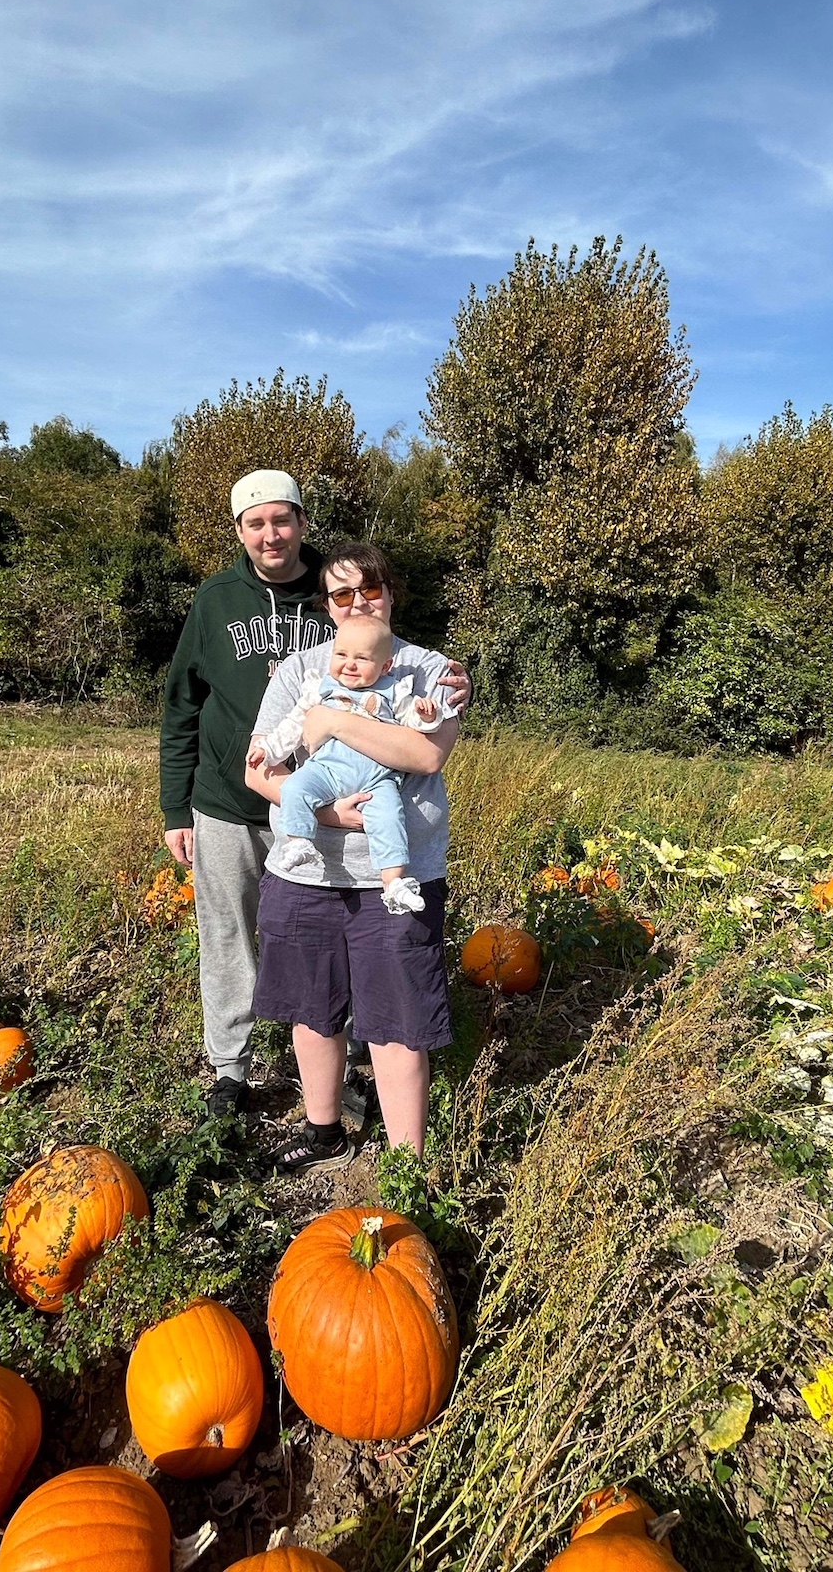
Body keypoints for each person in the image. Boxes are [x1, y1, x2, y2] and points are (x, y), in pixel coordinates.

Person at [159, 472, 469, 1120]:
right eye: (255, 523)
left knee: (343, 960)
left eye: (281, 520)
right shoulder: (220, 601)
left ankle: (360, 1075)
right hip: (235, 799)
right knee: (238, 944)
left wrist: (350, 719)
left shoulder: (374, 628)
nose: (270, 534)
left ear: (301, 523)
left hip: (343, 817)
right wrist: (174, 804)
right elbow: (182, 705)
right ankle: (232, 1071)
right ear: (240, 531)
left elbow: (426, 741)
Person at [244, 542, 460, 1174]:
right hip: (306, 868)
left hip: (399, 873)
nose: (358, 602)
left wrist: (331, 723)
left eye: (370, 589)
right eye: (342, 594)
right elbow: (261, 769)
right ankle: (323, 1130)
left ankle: (406, 1167)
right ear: (327, 606)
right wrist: (324, 815)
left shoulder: (429, 669)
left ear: (390, 594)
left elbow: (426, 755)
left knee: (398, 1021)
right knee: (313, 1009)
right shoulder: (296, 671)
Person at [250, 614, 438, 915]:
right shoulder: (320, 688)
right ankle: (299, 842)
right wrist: (268, 749)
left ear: (385, 666)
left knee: (390, 817)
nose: (349, 664)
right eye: (341, 655)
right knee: (296, 786)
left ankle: (394, 882)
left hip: (377, 779)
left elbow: (414, 727)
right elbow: (293, 725)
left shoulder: (396, 690)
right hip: (326, 769)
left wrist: (427, 716)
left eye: (362, 658)